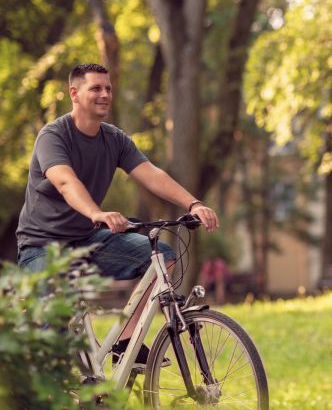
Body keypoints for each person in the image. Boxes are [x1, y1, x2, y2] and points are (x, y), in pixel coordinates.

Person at [16, 63, 219, 366]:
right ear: (74, 93)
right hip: (41, 246)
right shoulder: (53, 136)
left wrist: (193, 204)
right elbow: (65, 181)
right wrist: (96, 212)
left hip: (87, 239)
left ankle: (125, 343)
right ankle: (39, 400)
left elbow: (151, 174)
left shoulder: (114, 139)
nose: (105, 94)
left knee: (162, 256)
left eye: (108, 88)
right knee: (53, 330)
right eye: (95, 88)